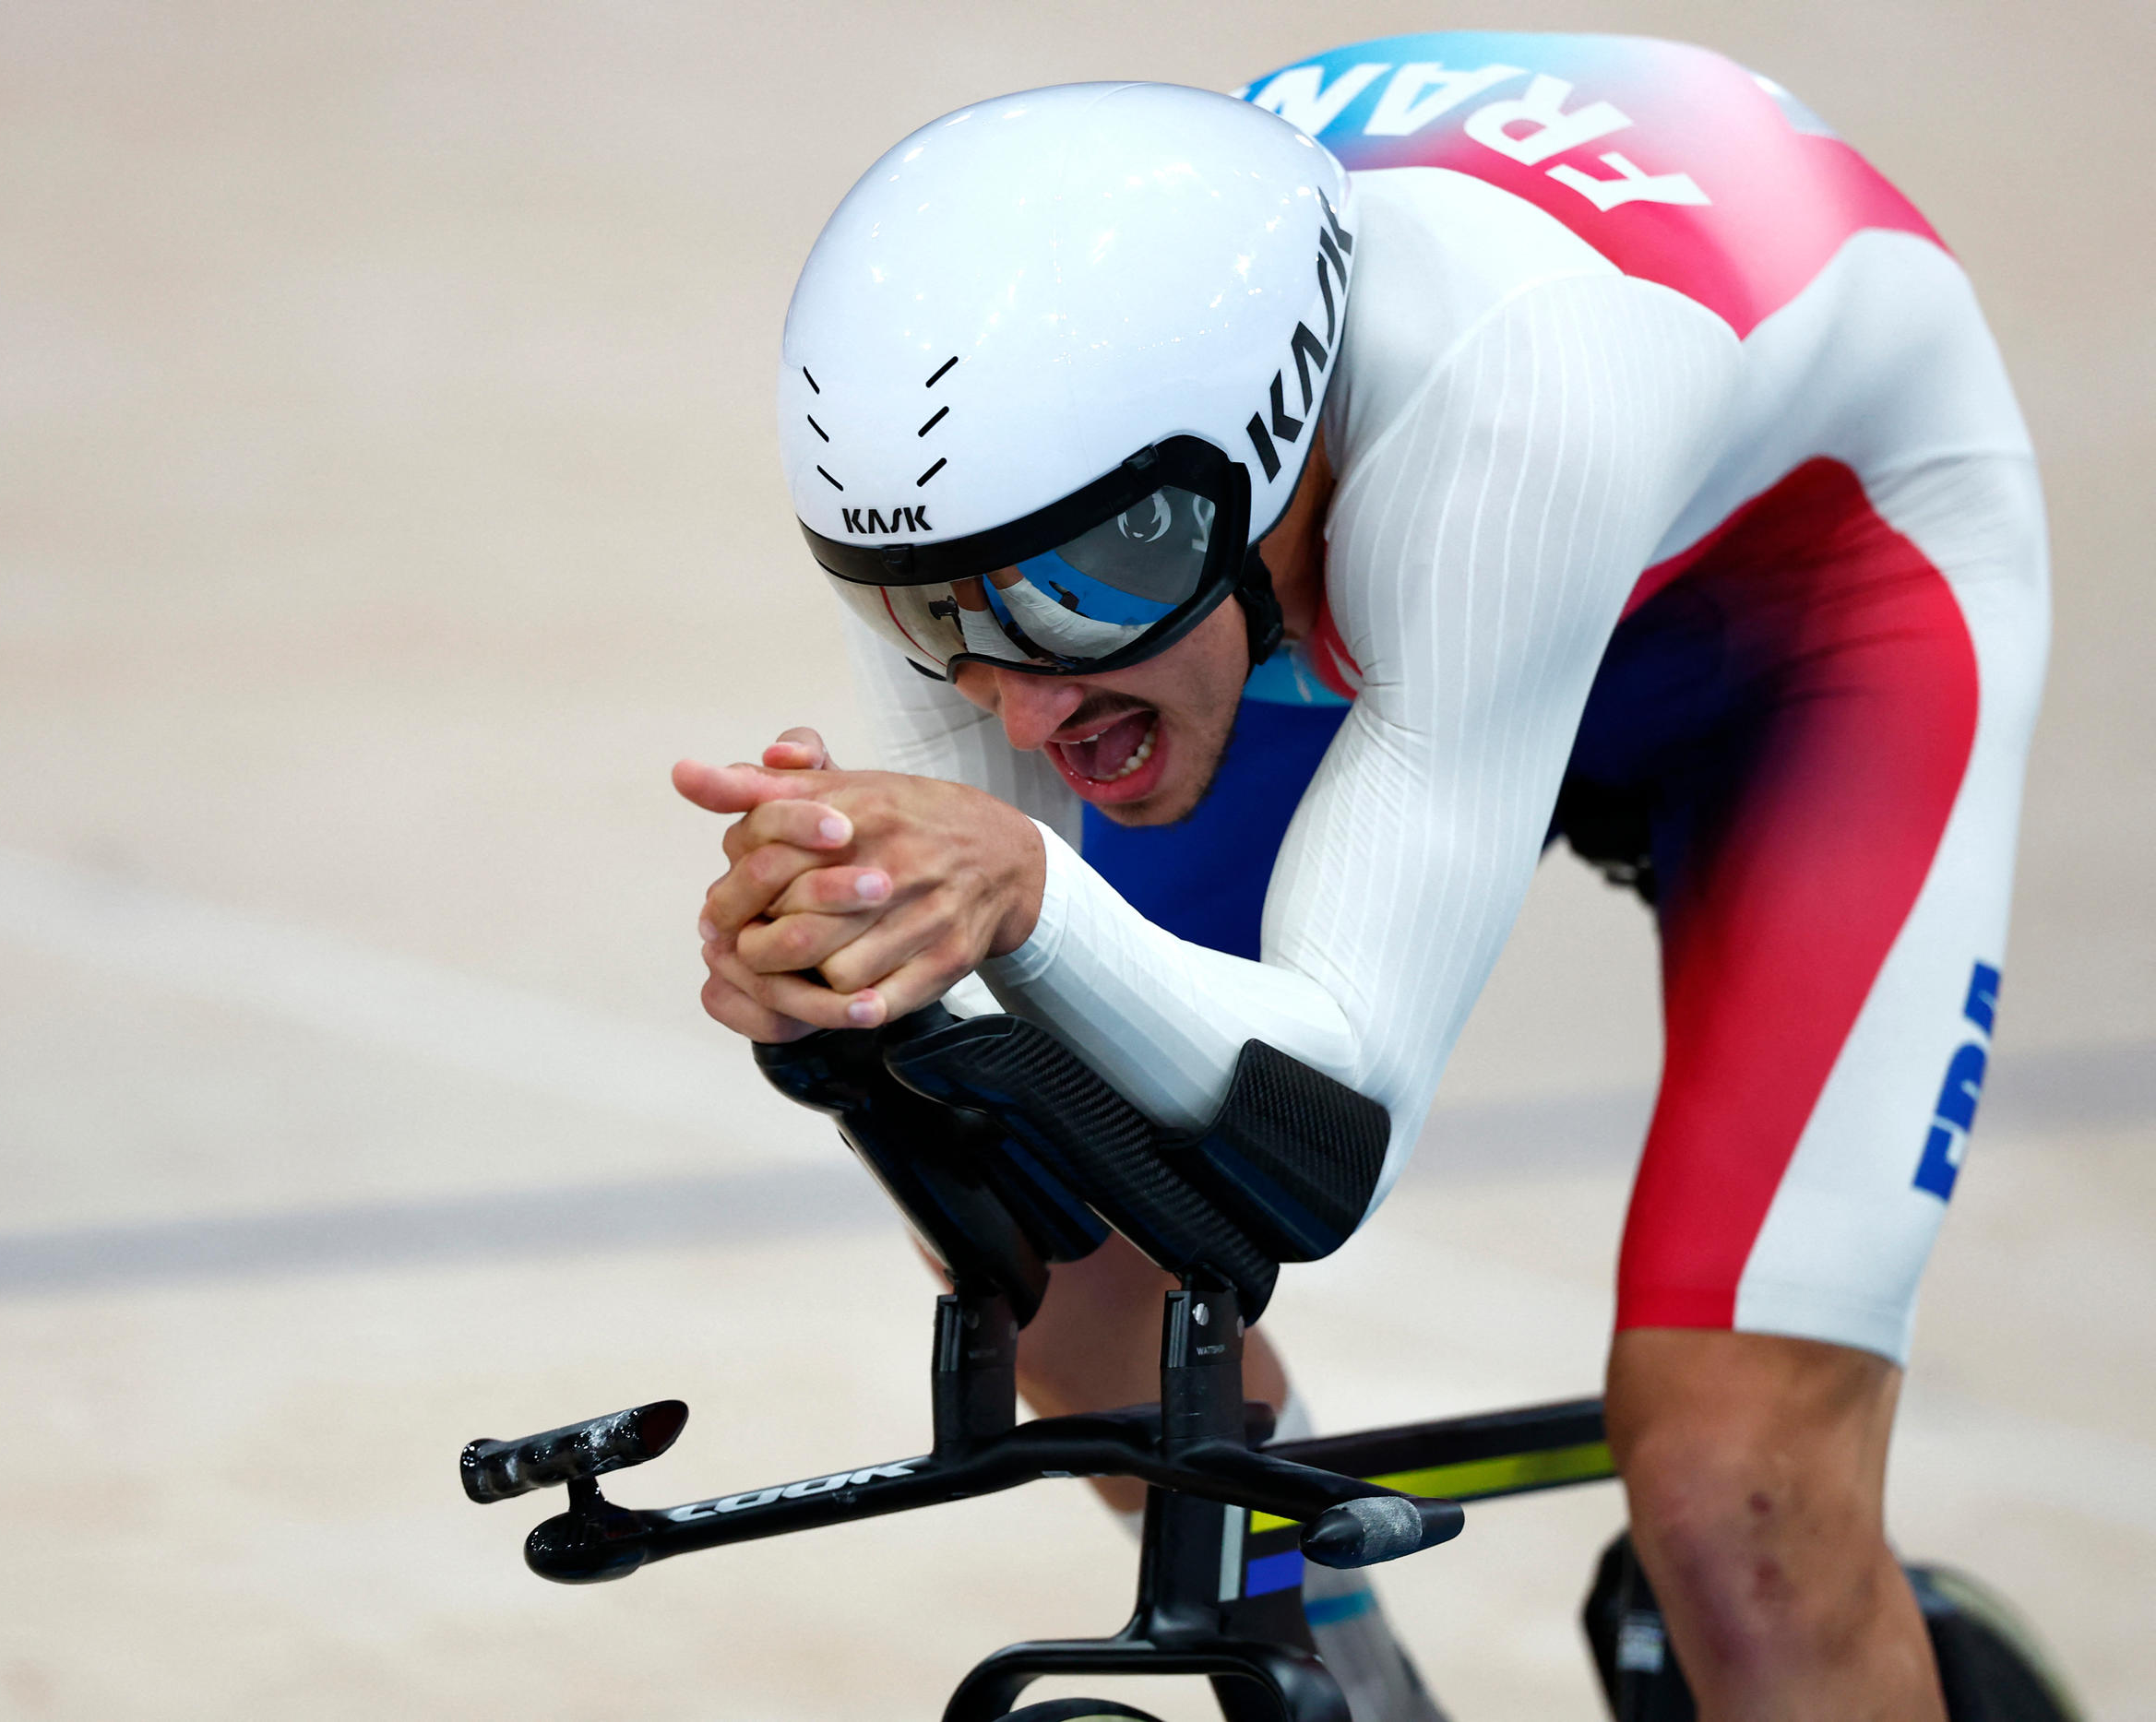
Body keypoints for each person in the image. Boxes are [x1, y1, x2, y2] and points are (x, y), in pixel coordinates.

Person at [674, 33, 2047, 1722]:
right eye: (926, 611)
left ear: (1269, 449)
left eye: (1081, 589)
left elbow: (1323, 1141)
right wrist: (840, 973)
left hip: (1811, 590)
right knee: (1067, 1290)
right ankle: (1355, 1685)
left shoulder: (1515, 396)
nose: (1016, 695)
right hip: (1339, 581)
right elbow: (990, 1063)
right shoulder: (981, 499)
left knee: (1737, 1491)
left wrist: (1025, 879)